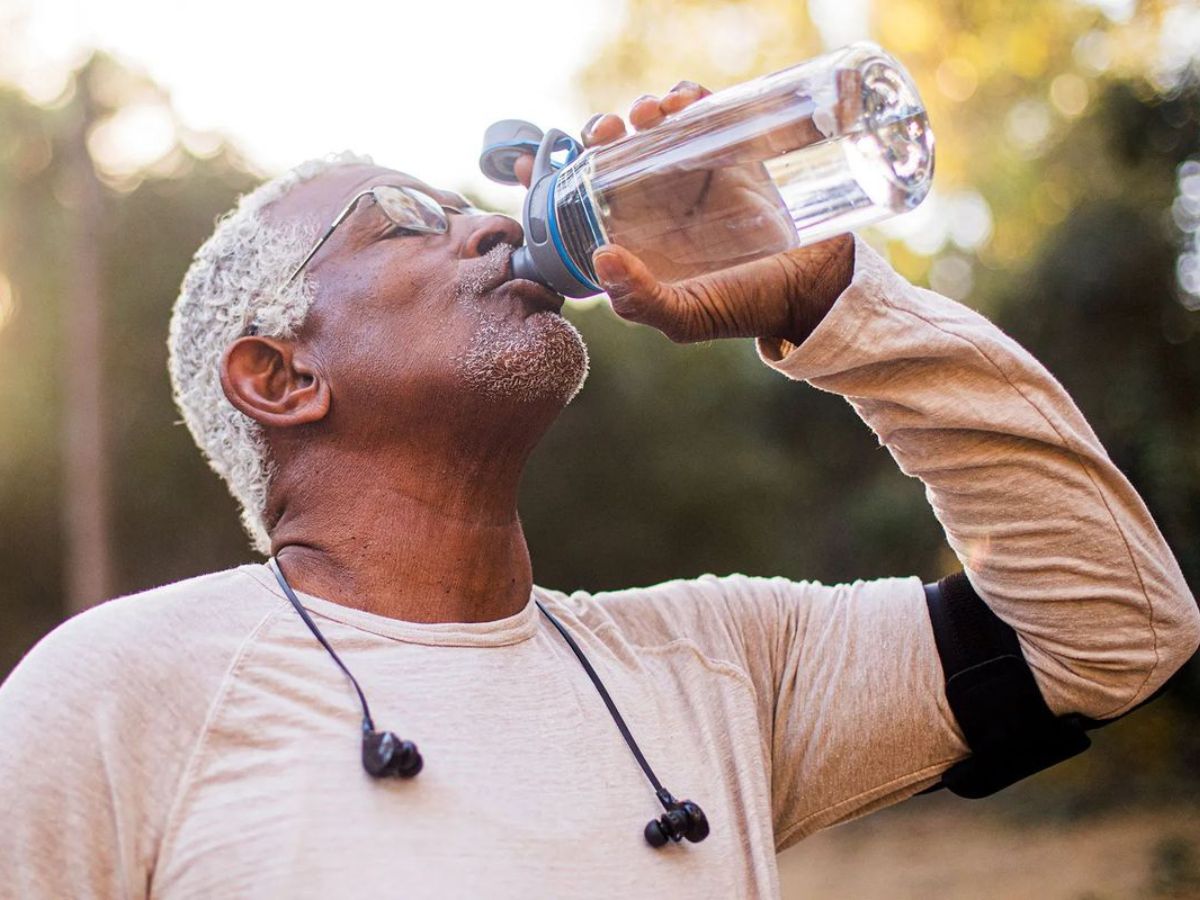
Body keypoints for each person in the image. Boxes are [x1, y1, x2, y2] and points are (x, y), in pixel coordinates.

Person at [0, 81, 1196, 900]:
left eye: (471, 204)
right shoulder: (121, 689)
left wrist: (832, 305)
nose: (485, 228)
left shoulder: (720, 664)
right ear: (280, 374)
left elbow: (1113, 624)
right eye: (404, 224)